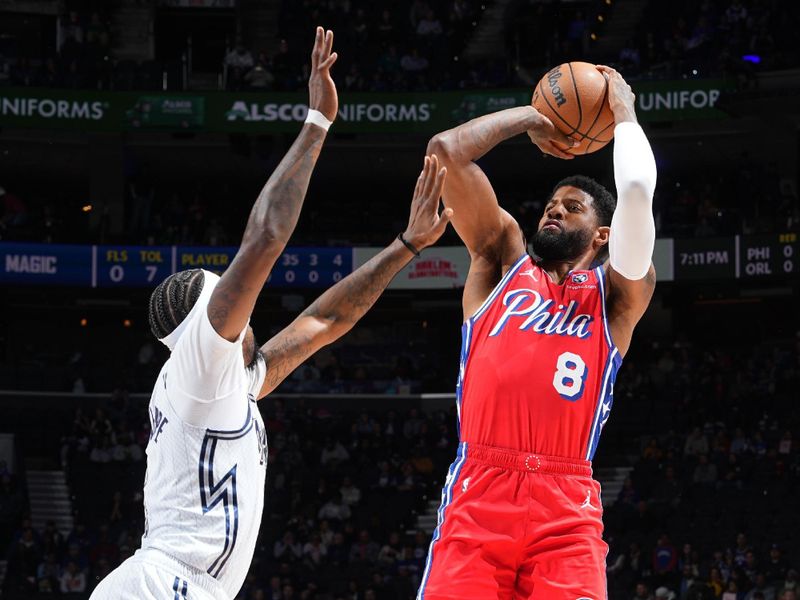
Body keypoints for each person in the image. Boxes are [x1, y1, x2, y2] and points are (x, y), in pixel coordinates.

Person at [91, 27, 453, 600]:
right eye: (227, 297)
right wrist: (317, 123)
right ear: (208, 321)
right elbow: (264, 238)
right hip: (165, 587)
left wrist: (405, 245)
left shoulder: (228, 380)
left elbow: (324, 323)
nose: (245, 304)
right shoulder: (203, 366)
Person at [417, 65, 657, 599]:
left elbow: (637, 193)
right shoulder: (501, 258)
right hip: (479, 492)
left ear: (601, 236)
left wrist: (623, 116)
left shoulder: (616, 298)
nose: (554, 211)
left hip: (567, 505)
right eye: (551, 205)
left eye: (572, 208)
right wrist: (533, 117)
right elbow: (445, 151)